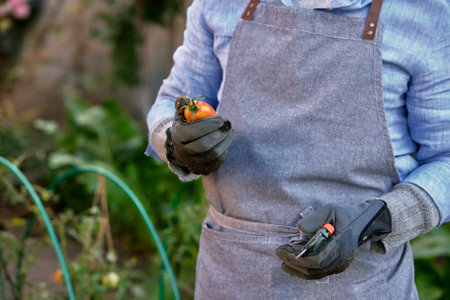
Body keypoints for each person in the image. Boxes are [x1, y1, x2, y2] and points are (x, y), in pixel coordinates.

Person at [145, 0, 449, 298]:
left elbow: (445, 159)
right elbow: (173, 100)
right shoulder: (219, 5)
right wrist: (174, 140)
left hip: (361, 283)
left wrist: (376, 219)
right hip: (230, 271)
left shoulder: (427, 14)